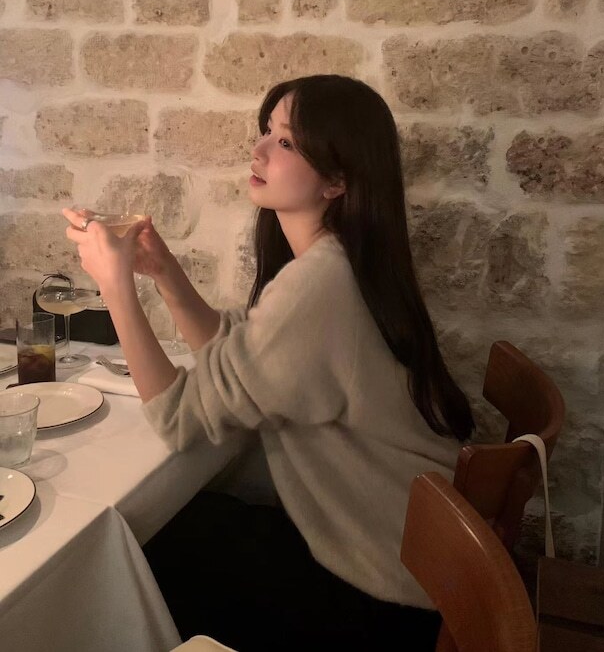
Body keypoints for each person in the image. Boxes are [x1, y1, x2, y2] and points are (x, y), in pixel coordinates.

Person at [63, 74, 474, 651]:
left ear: (337, 181)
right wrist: (164, 274)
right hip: (412, 565)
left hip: (381, 596)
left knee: (136, 559)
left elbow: (178, 417)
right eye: (265, 131)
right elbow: (244, 352)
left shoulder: (321, 285)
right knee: (185, 523)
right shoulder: (340, 263)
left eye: (286, 142)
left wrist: (114, 288)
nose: (258, 150)